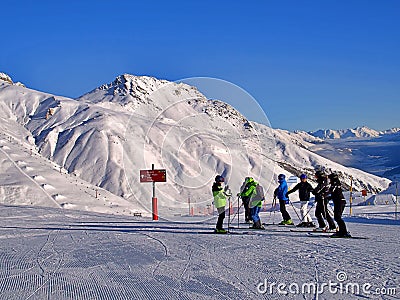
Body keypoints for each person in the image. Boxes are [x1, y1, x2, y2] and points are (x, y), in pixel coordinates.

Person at [327, 173, 351, 238]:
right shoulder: (336, 183)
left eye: (330, 178)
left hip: (339, 202)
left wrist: (325, 195)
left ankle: (343, 232)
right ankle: (342, 231)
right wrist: (329, 197)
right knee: (337, 217)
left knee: (337, 217)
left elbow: (331, 191)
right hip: (340, 201)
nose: (329, 180)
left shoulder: (335, 183)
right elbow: (335, 193)